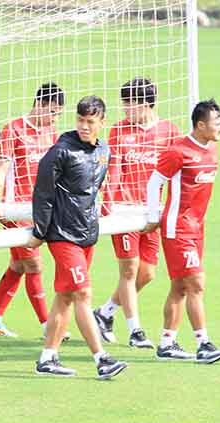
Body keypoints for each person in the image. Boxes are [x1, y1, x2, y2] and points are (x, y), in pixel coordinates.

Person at [31, 96, 128, 379]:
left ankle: (47, 358)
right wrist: (40, 231)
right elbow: (43, 193)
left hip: (87, 234)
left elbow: (93, 192)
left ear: (102, 122)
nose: (84, 126)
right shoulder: (60, 151)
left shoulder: (104, 151)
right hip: (62, 235)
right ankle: (101, 359)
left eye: (90, 121)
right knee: (83, 293)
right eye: (80, 120)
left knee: (65, 296)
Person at [94, 77, 180, 348]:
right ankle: (136, 332)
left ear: (145, 104)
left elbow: (175, 175)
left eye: (129, 104)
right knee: (129, 270)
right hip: (124, 210)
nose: (125, 109)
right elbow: (114, 169)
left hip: (152, 212)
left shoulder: (169, 132)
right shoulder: (119, 130)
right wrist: (108, 203)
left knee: (147, 273)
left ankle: (105, 312)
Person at [145, 99, 220, 363]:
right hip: (178, 228)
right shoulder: (178, 151)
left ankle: (167, 343)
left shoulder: (212, 149)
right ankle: (203, 344)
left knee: (180, 287)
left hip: (197, 229)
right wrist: (152, 216)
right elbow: (154, 182)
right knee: (196, 284)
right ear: (201, 125)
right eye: (217, 123)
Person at [0, 82, 65, 338]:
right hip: (14, 208)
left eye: (57, 114)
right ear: (39, 104)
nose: (54, 118)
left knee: (19, 265)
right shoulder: (14, 129)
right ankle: (47, 325)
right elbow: (1, 168)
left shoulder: (51, 132)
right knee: (34, 264)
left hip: (39, 209)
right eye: (52, 112)